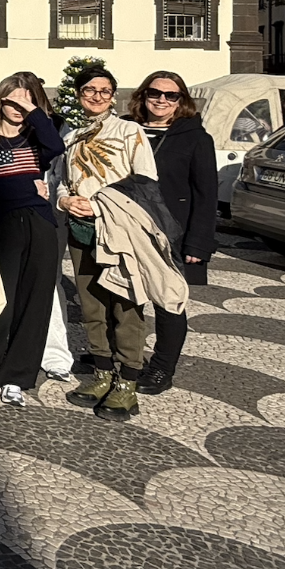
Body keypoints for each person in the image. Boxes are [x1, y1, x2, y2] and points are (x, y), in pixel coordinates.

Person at [56, 66, 160, 421]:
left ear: (113, 95)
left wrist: (101, 203)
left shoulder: (130, 131)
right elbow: (59, 179)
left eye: (104, 90)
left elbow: (146, 181)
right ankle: (102, 374)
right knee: (91, 303)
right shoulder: (70, 135)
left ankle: (127, 381)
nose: (97, 97)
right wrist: (65, 201)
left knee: (126, 304)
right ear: (78, 95)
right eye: (89, 91)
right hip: (80, 229)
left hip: (119, 231)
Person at [0, 76, 66, 407]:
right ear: (0, 102)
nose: (20, 108)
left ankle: (17, 376)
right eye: (14, 100)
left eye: (28, 102)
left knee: (34, 303)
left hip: (39, 224)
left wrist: (34, 110)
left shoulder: (37, 139)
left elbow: (57, 145)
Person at [128, 71, 215, 395]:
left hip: (172, 234)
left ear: (181, 101)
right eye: (154, 93)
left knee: (169, 302)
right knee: (122, 296)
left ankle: (163, 367)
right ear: (143, 95)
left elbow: (205, 195)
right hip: (127, 229)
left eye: (171, 95)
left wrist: (199, 243)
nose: (161, 100)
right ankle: (122, 355)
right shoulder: (127, 129)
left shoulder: (195, 138)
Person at [15, 70, 74, 385]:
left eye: (29, 96)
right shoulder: (4, 127)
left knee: (48, 284)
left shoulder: (60, 128)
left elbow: (62, 168)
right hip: (11, 215)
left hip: (49, 216)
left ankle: (55, 354)